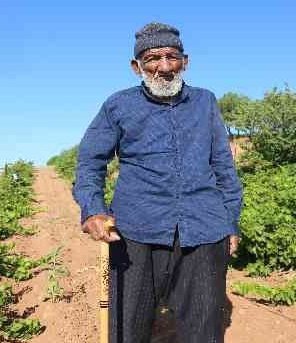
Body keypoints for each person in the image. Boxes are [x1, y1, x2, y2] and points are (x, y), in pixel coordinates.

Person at [72, 22, 243, 343]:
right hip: (135, 232)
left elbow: (224, 166)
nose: (163, 67)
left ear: (185, 61)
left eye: (171, 57)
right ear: (136, 67)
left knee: (204, 330)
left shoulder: (205, 103)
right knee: (127, 327)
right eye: (152, 59)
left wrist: (231, 222)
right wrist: (93, 209)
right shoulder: (118, 105)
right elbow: (90, 161)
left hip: (204, 230)